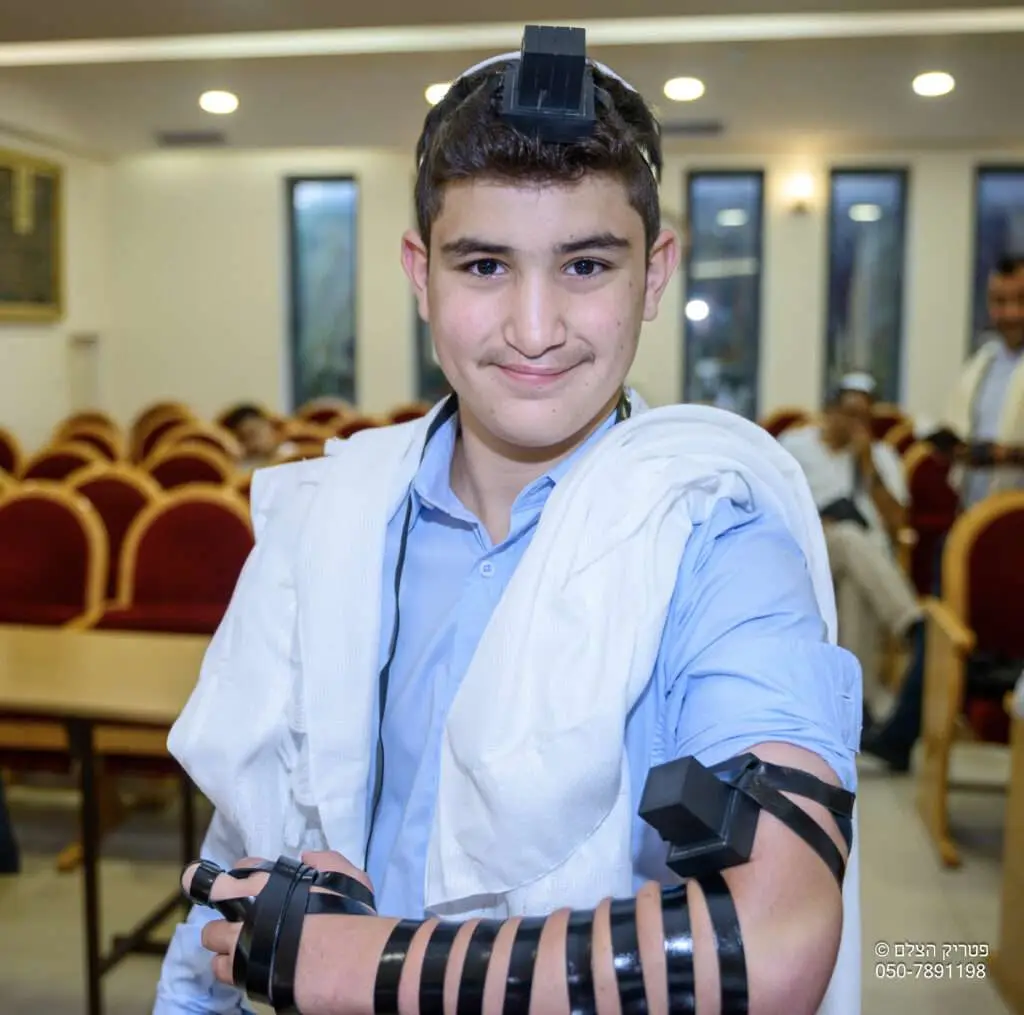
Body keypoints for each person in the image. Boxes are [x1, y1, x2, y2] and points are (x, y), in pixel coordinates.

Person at [157, 26, 860, 1015]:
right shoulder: (323, 519)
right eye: (485, 266)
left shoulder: (719, 545)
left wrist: (359, 965)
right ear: (421, 275)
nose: (535, 330)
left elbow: (778, 943)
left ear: (655, 274)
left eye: (586, 266)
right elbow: (233, 874)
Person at [861, 257, 1024, 770]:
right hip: (971, 519)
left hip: (1016, 530)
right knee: (941, 624)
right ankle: (902, 734)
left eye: (1018, 301)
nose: (1008, 312)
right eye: (999, 301)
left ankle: (901, 733)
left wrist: (1006, 455)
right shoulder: (986, 363)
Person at [778, 373, 922, 723]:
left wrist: (868, 468)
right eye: (849, 414)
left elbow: (898, 523)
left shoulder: (882, 456)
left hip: (867, 563)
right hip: (810, 555)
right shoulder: (795, 446)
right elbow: (770, 505)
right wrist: (815, 522)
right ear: (829, 411)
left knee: (857, 581)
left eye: (864, 417)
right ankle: (911, 623)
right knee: (846, 536)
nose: (856, 424)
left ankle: (853, 705)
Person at [221, 404, 295, 468]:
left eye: (253, 434)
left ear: (270, 426)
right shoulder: (242, 466)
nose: (252, 444)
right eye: (243, 439)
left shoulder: (293, 453)